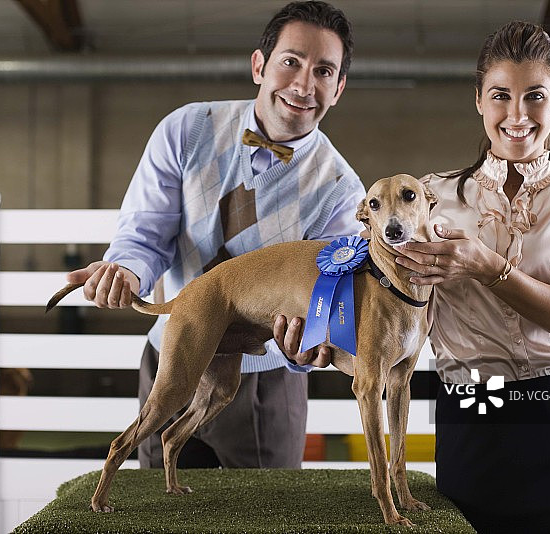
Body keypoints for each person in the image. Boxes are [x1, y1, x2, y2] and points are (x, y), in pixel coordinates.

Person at [281, 20, 550, 534]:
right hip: (473, 414)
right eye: (500, 95)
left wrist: (487, 266)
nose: (517, 115)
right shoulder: (424, 196)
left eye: (535, 96)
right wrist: (322, 344)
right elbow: (388, 316)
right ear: (479, 101)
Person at [66, 1, 365, 470]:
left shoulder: (343, 194)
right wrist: (125, 270)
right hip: (170, 356)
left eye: (324, 71)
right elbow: (145, 233)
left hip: (264, 383)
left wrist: (308, 346)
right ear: (259, 66)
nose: (304, 85)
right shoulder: (186, 130)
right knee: (157, 514)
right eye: (291, 62)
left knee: (263, 519)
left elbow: (328, 306)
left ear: (339, 88)